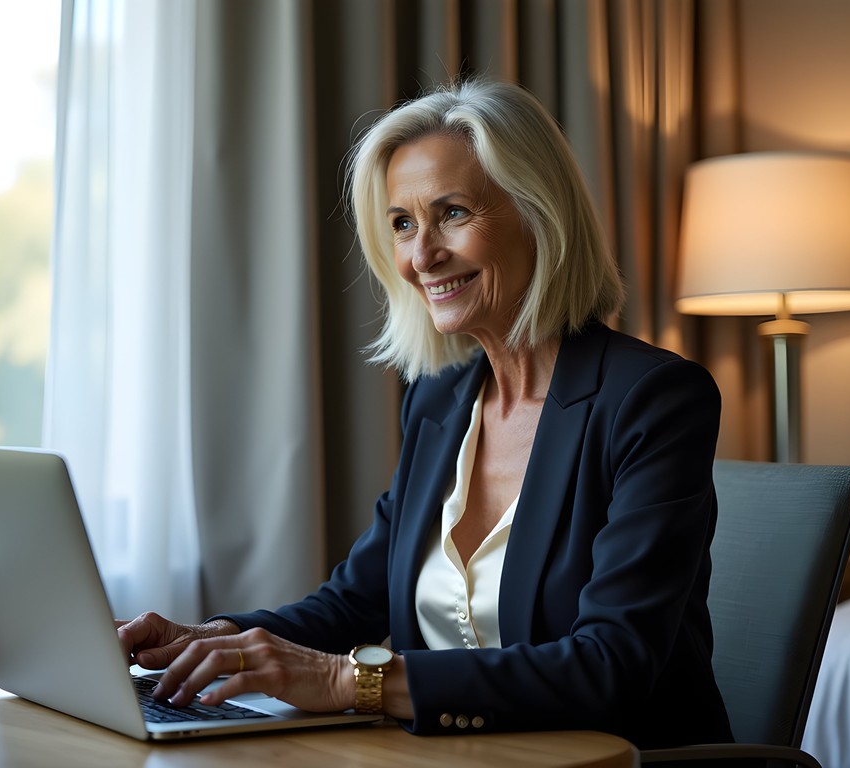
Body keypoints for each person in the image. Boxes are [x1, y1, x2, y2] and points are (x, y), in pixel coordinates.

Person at [118, 79, 734, 749]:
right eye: (403, 223)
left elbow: (611, 663)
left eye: (454, 213)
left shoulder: (655, 400)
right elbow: (357, 600)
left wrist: (347, 681)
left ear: (540, 213)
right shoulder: (439, 403)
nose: (420, 256)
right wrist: (214, 640)